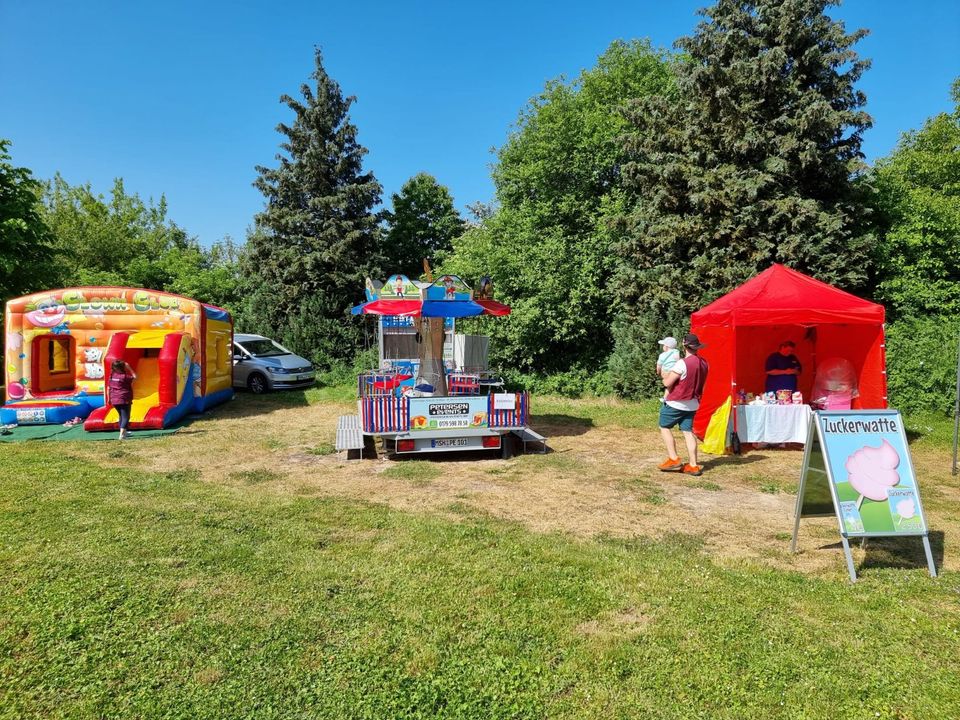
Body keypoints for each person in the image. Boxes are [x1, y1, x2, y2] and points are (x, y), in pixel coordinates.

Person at [658, 333, 709, 476]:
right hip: (693, 403)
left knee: (664, 426)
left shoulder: (682, 363)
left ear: (684, 345)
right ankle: (693, 465)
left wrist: (665, 374)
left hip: (677, 402)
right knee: (688, 431)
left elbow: (667, 382)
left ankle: (673, 458)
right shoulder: (705, 363)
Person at [107, 358, 137, 440]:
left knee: (121, 415)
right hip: (123, 398)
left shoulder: (112, 376)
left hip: (114, 398)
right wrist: (129, 367)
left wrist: (109, 399)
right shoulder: (124, 376)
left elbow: (108, 388)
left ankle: (124, 432)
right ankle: (122, 435)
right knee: (126, 417)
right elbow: (135, 377)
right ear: (122, 368)